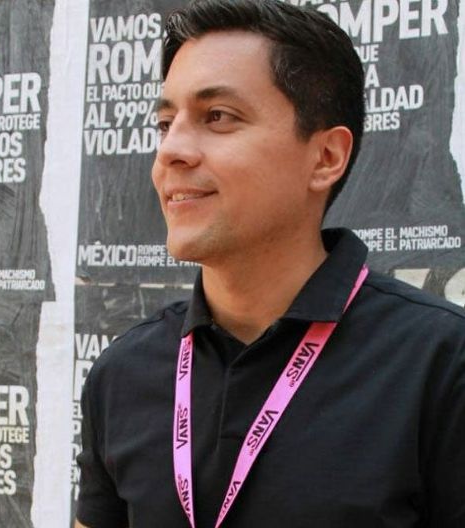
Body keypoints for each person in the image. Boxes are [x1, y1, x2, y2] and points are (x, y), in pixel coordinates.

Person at [75, 2, 465, 527]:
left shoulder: (441, 364)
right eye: (166, 123)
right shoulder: (121, 373)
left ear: (325, 157)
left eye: (218, 117)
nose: (171, 150)